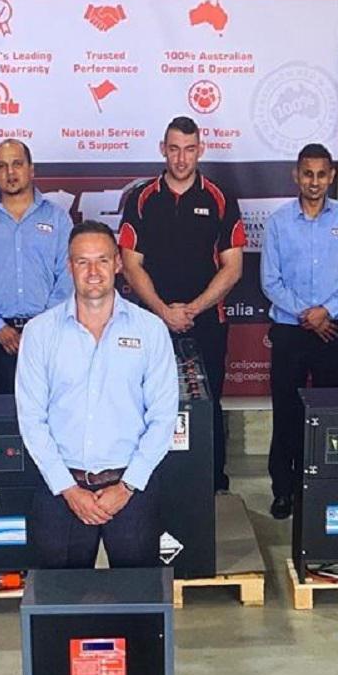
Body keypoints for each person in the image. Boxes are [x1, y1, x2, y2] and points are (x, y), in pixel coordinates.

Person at [15, 220, 178, 569]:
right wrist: (68, 489)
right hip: (61, 490)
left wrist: (128, 486)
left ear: (118, 263)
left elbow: (163, 418)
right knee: (60, 595)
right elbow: (31, 419)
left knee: (139, 593)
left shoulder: (150, 330)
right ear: (69, 266)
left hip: (131, 489)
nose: (93, 272)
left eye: (102, 260)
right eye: (82, 262)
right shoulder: (39, 333)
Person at [120, 116, 245, 493]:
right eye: (174, 149)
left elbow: (233, 267)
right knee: (147, 404)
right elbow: (130, 264)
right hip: (150, 322)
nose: (181, 158)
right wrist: (163, 311)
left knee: (207, 404)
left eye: (189, 150)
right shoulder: (141, 198)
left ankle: (213, 483)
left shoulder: (220, 198)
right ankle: (148, 481)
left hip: (206, 322)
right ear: (163, 149)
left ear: (200, 150)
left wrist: (192, 310)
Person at [260, 144, 338, 519]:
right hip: (290, 333)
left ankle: (329, 490)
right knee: (287, 415)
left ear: (332, 176)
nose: (314, 181)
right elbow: (270, 281)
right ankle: (284, 491)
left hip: (335, 332)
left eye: (322, 174)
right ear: (296, 175)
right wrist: (308, 315)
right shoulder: (278, 223)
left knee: (333, 415)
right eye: (308, 173)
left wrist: (327, 312)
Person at [0, 139, 73, 394]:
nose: (10, 173)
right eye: (2, 166)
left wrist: (39, 328)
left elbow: (67, 277)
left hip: (48, 335)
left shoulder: (58, 218)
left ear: (31, 169)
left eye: (17, 164)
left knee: (50, 411)